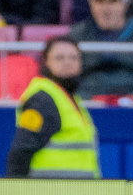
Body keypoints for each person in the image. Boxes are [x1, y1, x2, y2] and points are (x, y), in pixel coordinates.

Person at [7, 37, 100, 178]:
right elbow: (21, 151)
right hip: (50, 194)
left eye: (73, 58)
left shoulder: (70, 98)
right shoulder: (42, 99)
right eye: (59, 58)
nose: (67, 62)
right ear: (46, 62)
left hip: (75, 193)